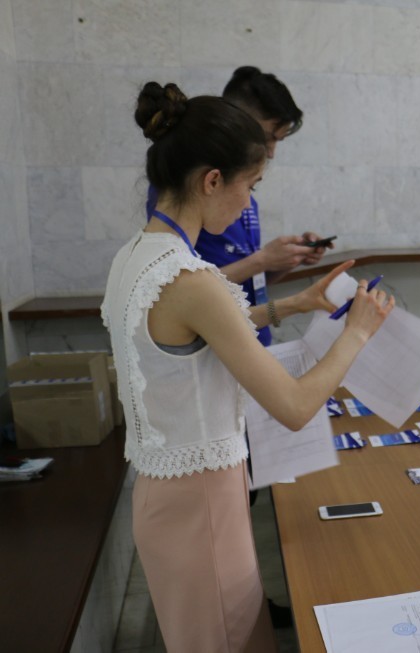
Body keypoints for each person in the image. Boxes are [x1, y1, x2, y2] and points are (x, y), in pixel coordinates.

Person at [102, 81, 394, 652]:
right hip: (204, 506)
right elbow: (294, 405)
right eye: (250, 186)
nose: (248, 203)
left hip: (165, 499)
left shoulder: (136, 257)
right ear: (212, 180)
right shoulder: (194, 279)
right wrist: (356, 331)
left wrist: (292, 304)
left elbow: (188, 340)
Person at [147, 65, 328, 348]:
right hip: (219, 348)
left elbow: (236, 288)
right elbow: (190, 290)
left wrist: (284, 261)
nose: (270, 152)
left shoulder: (235, 193)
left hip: (248, 334)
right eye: (269, 136)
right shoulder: (181, 198)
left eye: (252, 187)